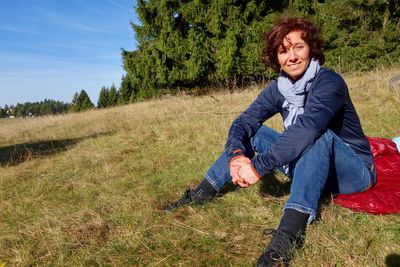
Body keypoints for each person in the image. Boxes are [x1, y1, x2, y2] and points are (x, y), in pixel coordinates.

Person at [163, 17, 376, 266]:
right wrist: (236, 155)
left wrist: (258, 166)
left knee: (316, 134)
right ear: (276, 59)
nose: (292, 57)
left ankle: (287, 235)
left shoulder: (329, 82)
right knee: (253, 133)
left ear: (311, 49)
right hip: (309, 165)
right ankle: (202, 193)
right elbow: (243, 123)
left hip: (353, 172)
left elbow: (309, 128)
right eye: (283, 51)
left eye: (299, 47)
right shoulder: (279, 89)